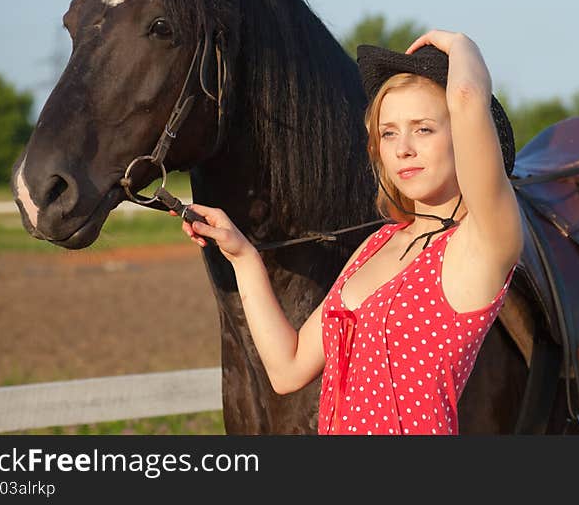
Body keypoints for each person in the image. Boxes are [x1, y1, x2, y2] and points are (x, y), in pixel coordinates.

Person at [176, 30, 523, 434]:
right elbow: (287, 369)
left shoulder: (481, 242)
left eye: (424, 129)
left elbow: (465, 98)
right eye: (389, 132)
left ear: (460, 139)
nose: (403, 148)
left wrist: (462, 44)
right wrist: (242, 256)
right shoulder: (377, 245)